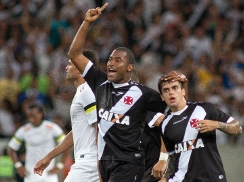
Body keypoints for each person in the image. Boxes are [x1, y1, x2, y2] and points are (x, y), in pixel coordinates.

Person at [67, 3, 170, 181]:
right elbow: (74, 54)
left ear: (129, 67)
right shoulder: (99, 83)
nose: (111, 63)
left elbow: (167, 121)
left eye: (118, 60)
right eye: (109, 59)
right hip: (105, 161)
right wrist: (86, 23)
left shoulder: (144, 94)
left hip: (129, 162)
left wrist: (163, 158)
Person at [157, 71, 243, 182]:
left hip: (211, 178)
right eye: (166, 90)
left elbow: (237, 128)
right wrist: (165, 178)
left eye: (175, 88)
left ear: (183, 91)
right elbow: (173, 158)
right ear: (162, 97)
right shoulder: (165, 124)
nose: (171, 93)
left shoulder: (204, 109)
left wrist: (216, 124)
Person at [33, 49, 100, 182]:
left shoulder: (87, 92)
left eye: (70, 64)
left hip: (89, 163)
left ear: (82, 67)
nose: (66, 67)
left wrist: (101, 162)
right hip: (87, 162)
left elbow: (99, 127)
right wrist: (49, 157)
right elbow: (76, 132)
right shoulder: (82, 92)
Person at [7, 103, 66, 182]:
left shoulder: (52, 128)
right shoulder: (24, 130)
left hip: (49, 175)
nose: (31, 119)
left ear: (41, 114)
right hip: (31, 175)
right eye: (28, 117)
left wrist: (60, 165)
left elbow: (66, 145)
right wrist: (18, 166)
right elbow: (10, 149)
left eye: (33, 116)